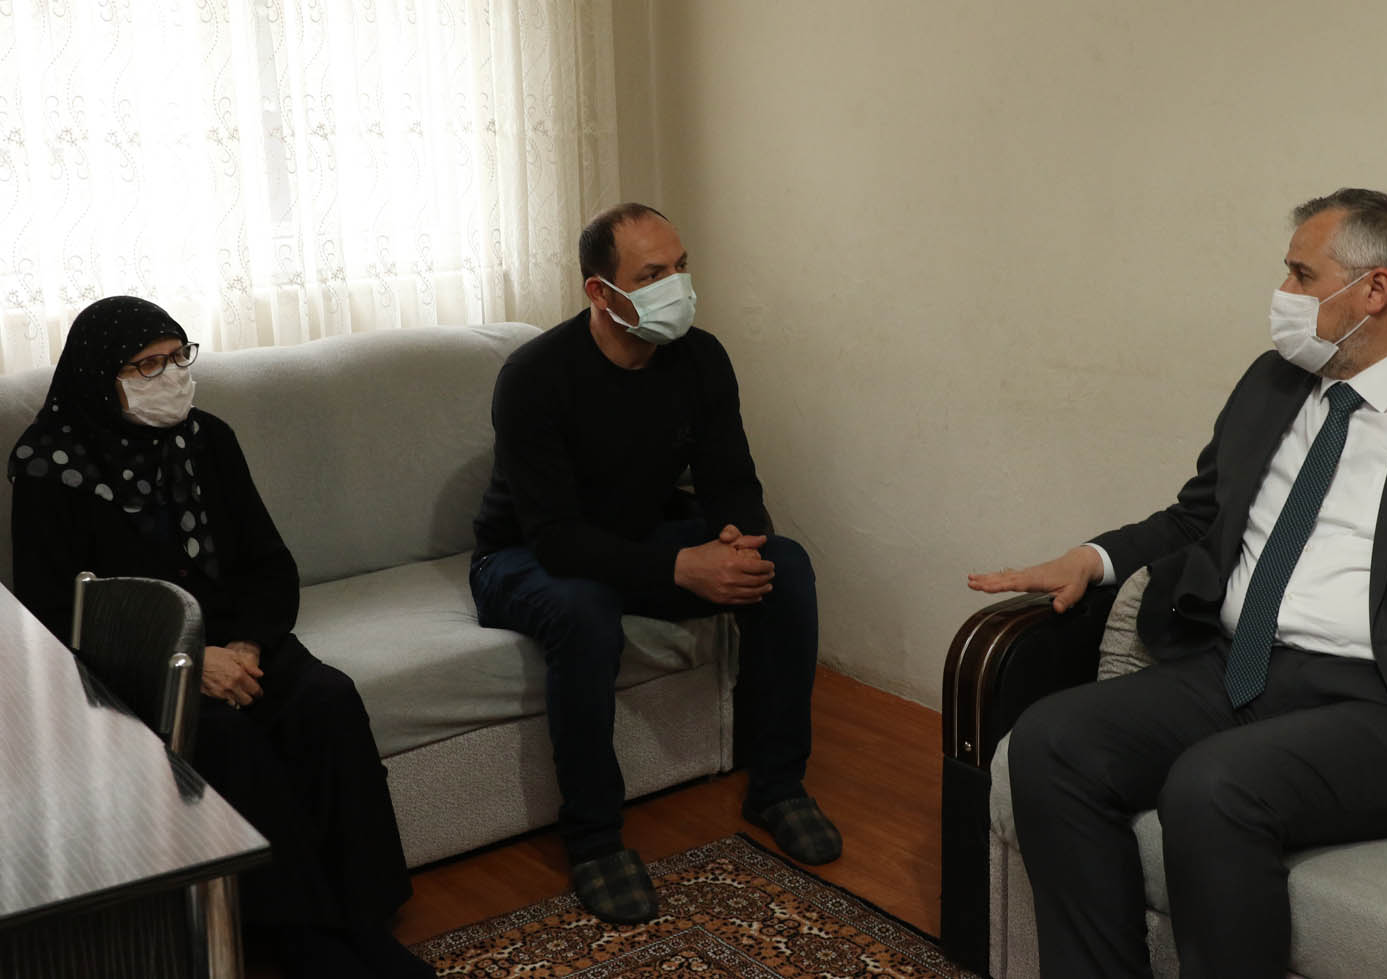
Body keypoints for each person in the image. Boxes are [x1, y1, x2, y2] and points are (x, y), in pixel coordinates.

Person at [968, 189, 1387, 978]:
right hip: (1240, 665)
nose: (1283, 294)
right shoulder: (1273, 383)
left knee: (1212, 787)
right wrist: (1093, 558)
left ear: (1374, 290)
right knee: (1049, 741)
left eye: (1302, 275)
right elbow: (1199, 515)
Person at [9, 296, 433, 979]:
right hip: (134, 663)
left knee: (327, 700)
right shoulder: (48, 468)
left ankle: (365, 913)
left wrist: (247, 648)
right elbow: (56, 612)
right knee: (229, 742)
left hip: (239, 641)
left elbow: (269, 564)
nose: (171, 375)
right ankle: (308, 936)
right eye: (147, 365)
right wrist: (187, 659)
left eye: (178, 356)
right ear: (98, 376)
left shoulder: (207, 439)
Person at [471, 202, 841, 923]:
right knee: (585, 609)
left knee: (784, 568)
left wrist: (738, 542)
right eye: (651, 274)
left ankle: (778, 786)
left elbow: (732, 480)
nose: (676, 285)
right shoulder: (535, 376)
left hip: (638, 534)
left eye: (681, 266)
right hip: (522, 555)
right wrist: (680, 569)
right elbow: (556, 538)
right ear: (600, 291)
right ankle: (594, 839)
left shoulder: (701, 358)